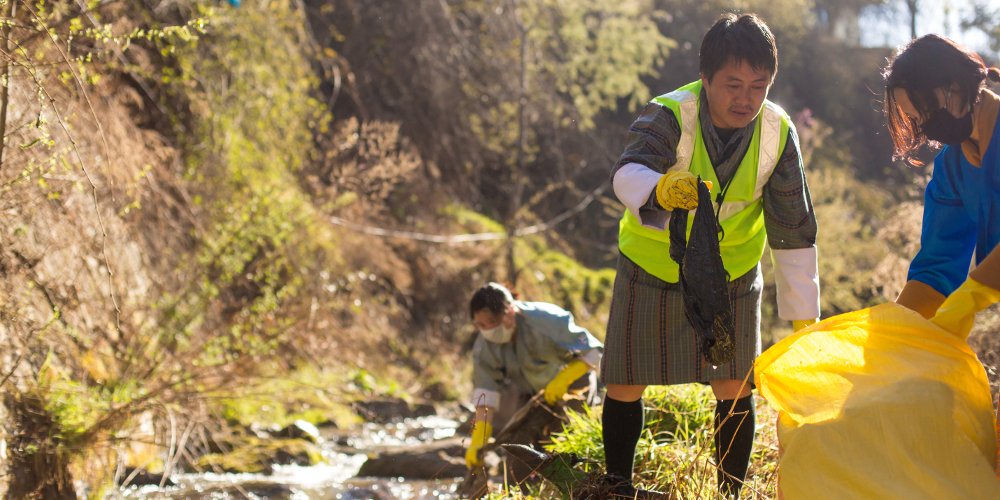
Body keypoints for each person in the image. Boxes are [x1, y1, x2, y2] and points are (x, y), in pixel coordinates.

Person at [602, 13, 820, 497]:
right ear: (705, 78)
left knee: (735, 386)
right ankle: (616, 484)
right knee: (624, 380)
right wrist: (661, 187)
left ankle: (730, 492)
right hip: (651, 265)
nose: (745, 99)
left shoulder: (777, 132)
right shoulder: (669, 112)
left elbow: (794, 230)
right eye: (733, 84)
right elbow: (626, 173)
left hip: (734, 273)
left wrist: (805, 324)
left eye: (758, 86)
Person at [882, 34, 1000, 476]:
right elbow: (936, 267)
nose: (927, 127)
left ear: (955, 84)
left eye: (927, 111)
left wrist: (971, 298)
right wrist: (895, 335)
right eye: (916, 120)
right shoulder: (952, 167)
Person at [464, 282, 604, 473]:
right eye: (479, 325)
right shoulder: (484, 347)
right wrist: (478, 438)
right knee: (519, 452)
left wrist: (563, 379)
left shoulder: (546, 320)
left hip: (573, 385)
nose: (485, 330)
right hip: (531, 393)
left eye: (489, 324)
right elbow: (486, 395)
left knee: (571, 441)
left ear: (510, 313)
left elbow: (593, 351)